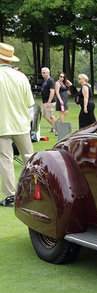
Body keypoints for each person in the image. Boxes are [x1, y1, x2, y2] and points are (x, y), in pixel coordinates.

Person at [0, 43, 35, 207]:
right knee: (29, 159)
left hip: (2, 125)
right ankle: (35, 192)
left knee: (5, 160)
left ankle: (9, 196)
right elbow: (30, 104)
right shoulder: (21, 77)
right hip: (21, 124)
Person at [40, 67, 57, 133]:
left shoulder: (50, 80)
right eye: (42, 73)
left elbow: (52, 91)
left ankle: (55, 129)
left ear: (48, 73)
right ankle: (54, 126)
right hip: (45, 101)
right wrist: (42, 100)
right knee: (44, 115)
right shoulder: (45, 81)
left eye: (44, 73)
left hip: (50, 101)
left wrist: (49, 101)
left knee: (51, 115)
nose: (42, 74)